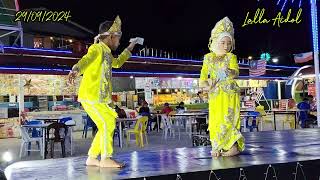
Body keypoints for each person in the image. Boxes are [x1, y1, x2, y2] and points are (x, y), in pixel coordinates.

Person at [68, 16, 138, 168]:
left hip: (98, 99)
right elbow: (86, 59)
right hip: (91, 96)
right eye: (119, 38)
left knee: (106, 124)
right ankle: (106, 158)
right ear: (111, 36)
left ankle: (92, 157)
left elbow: (118, 63)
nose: (119, 42)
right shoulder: (97, 49)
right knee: (108, 122)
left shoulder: (107, 53)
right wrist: (76, 69)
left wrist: (131, 46)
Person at [199, 17, 245, 157]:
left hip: (229, 93)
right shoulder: (208, 58)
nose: (226, 46)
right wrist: (207, 85)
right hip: (215, 94)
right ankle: (218, 146)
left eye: (229, 43)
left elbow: (236, 72)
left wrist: (229, 72)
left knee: (229, 118)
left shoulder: (231, 57)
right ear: (216, 41)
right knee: (216, 119)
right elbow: (202, 78)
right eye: (223, 42)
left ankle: (232, 146)